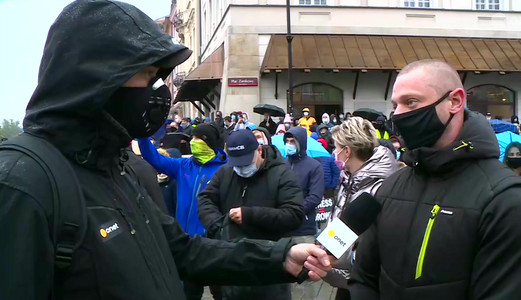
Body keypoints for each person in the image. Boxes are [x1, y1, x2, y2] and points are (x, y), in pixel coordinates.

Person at [0, 2, 332, 299]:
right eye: (147, 75)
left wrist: (279, 257)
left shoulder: (119, 168)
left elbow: (183, 252)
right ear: (96, 80)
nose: (158, 91)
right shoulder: (22, 183)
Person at [349, 59, 521, 299]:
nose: (398, 114)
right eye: (396, 105)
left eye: (411, 102)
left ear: (454, 102)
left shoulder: (509, 202)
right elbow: (364, 278)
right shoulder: (392, 186)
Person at [198, 130, 305, 299]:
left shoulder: (282, 175)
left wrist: (250, 215)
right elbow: (205, 199)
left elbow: (294, 215)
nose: (241, 168)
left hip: (268, 267)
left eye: (245, 163)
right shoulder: (225, 172)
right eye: (237, 164)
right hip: (230, 265)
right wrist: (217, 224)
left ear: (259, 151)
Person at [325, 117, 397, 299]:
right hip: (343, 278)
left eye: (336, 147)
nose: (334, 152)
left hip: (366, 284)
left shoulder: (381, 187)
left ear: (347, 151)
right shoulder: (348, 176)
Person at [284, 127, 325, 300]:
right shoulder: (282, 164)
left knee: (306, 275)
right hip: (282, 229)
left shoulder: (314, 166)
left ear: (301, 143)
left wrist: (293, 212)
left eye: (292, 141)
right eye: (287, 141)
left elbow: (315, 197)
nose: (289, 145)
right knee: (284, 274)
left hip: (303, 229)